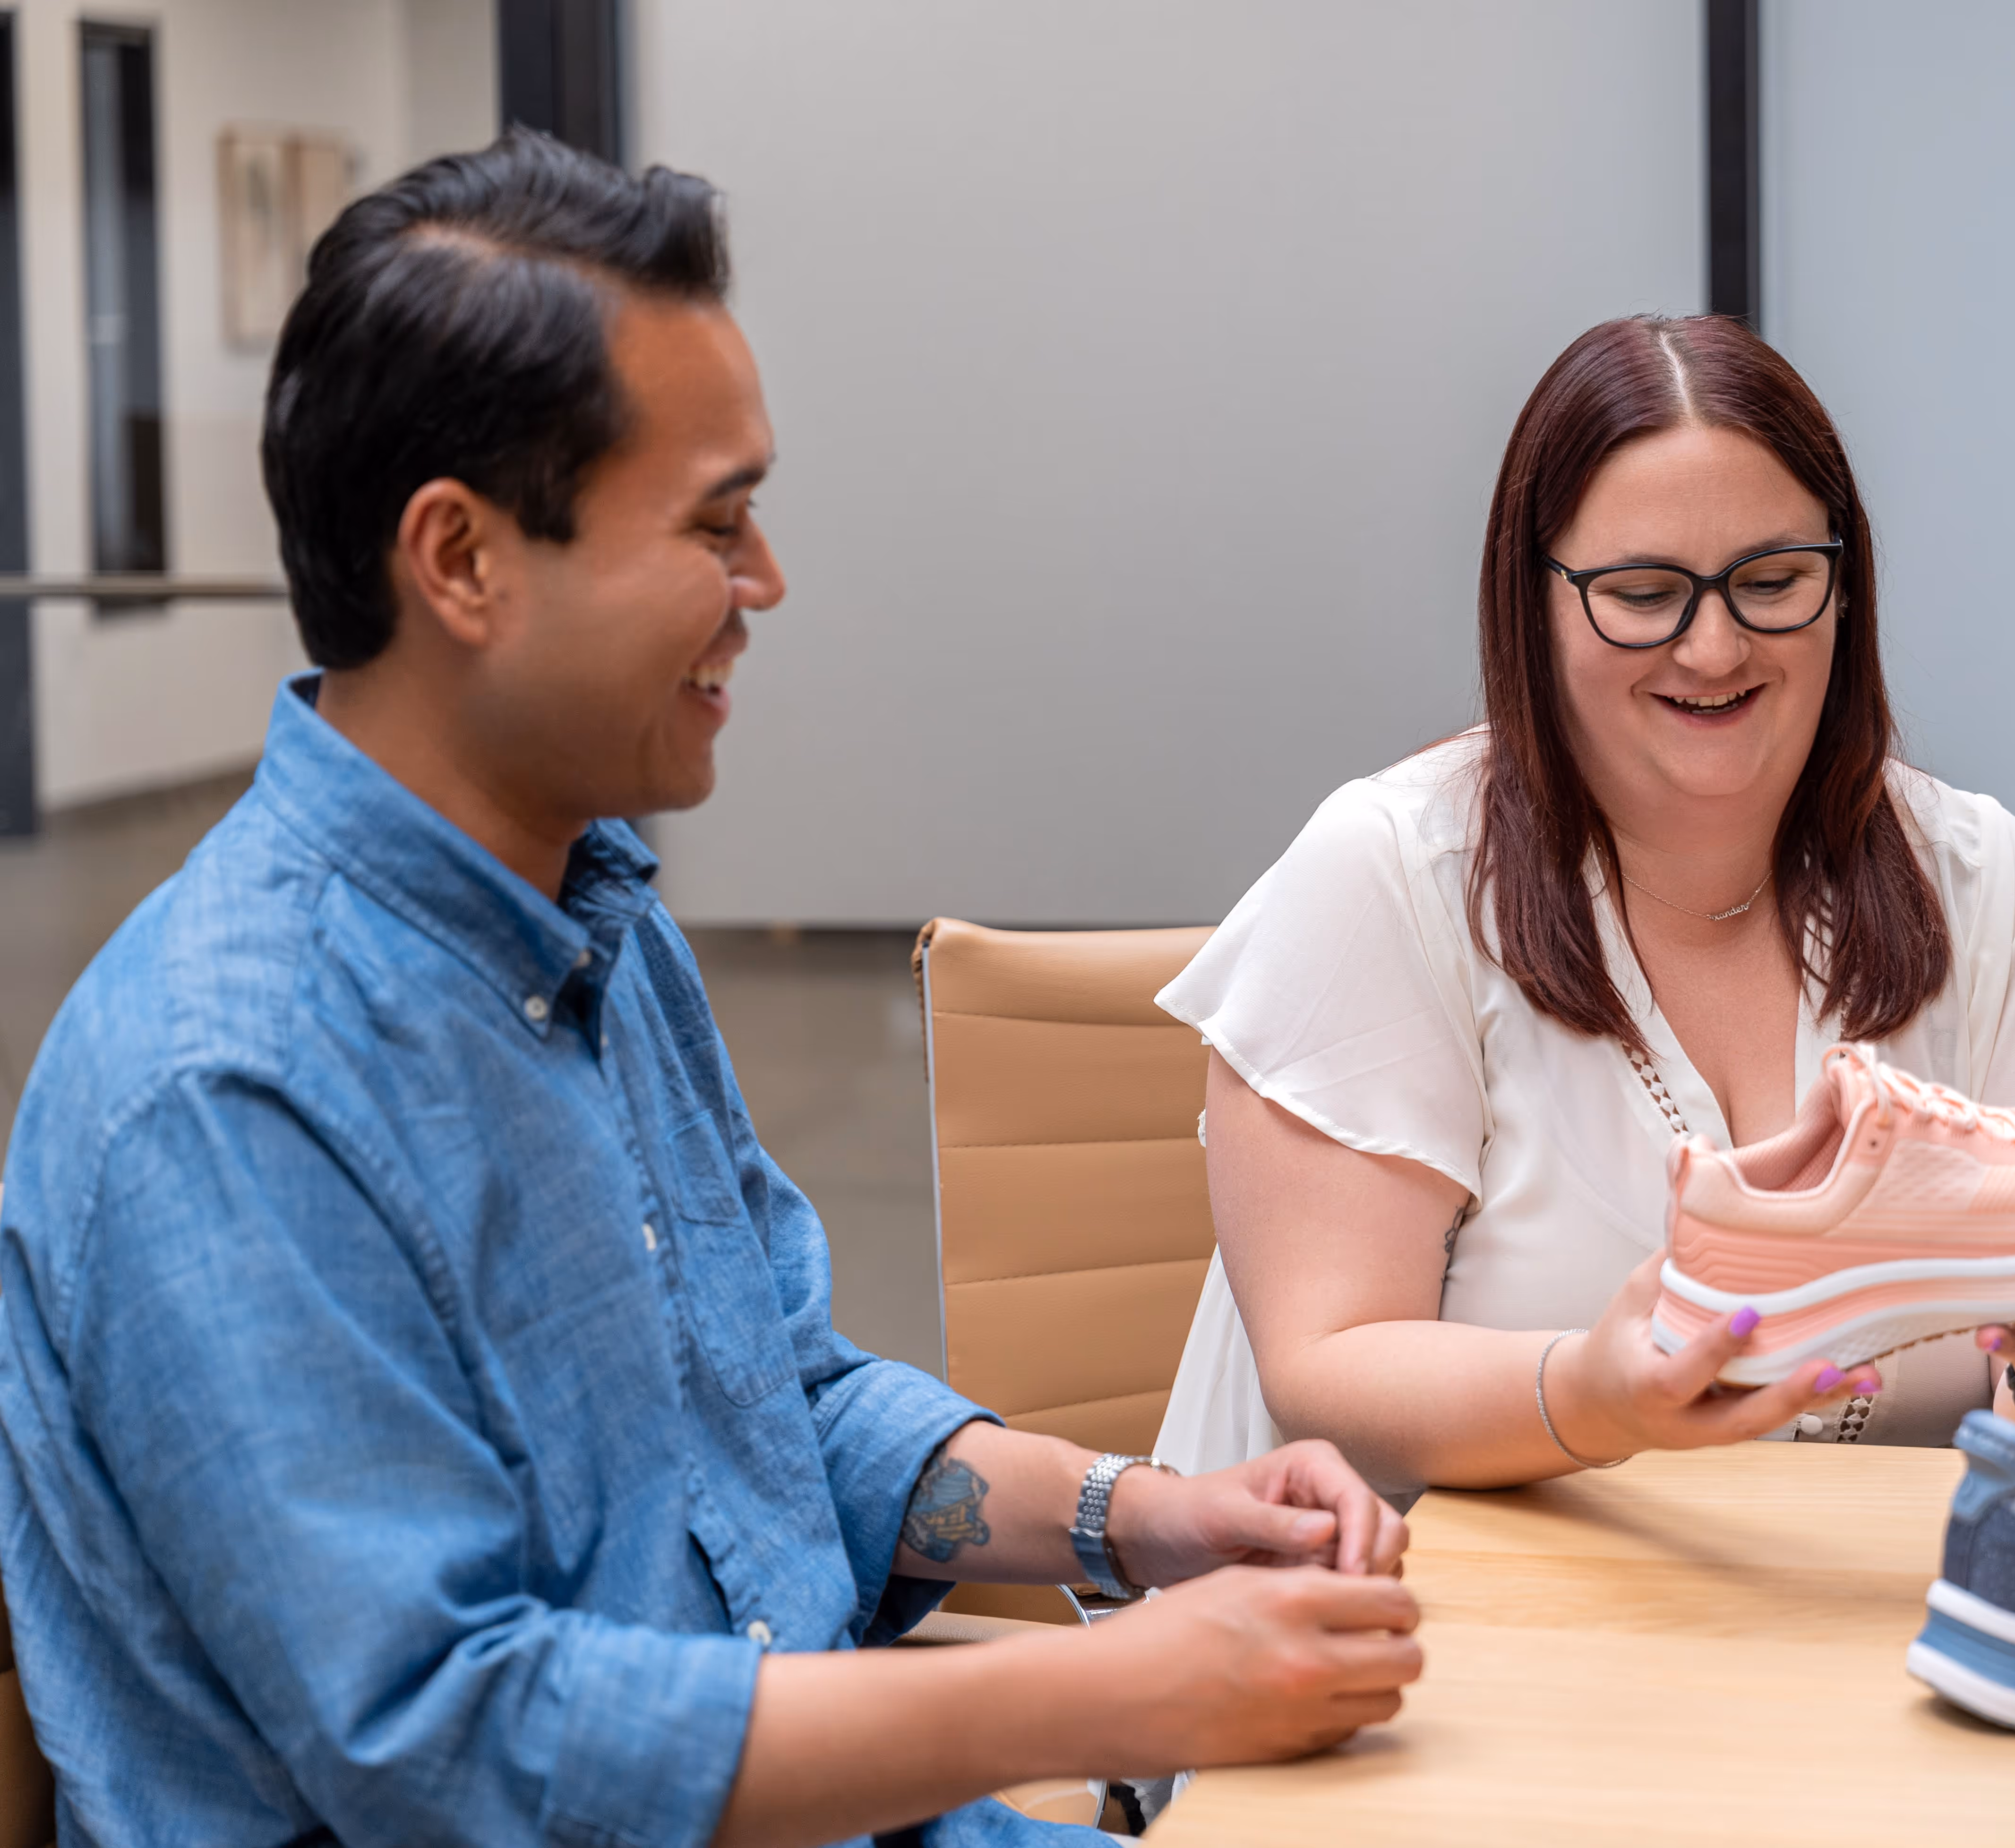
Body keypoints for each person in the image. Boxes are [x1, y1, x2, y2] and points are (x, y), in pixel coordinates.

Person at [0, 132, 1419, 1848]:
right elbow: (449, 1744)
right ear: (459, 562)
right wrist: (1099, 1692)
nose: (767, 587)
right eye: (717, 524)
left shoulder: (584, 916)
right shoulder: (227, 1089)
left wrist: (1148, 1520)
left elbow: (776, 1409)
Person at [1158, 315, 2015, 1493]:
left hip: (1831, 1636)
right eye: (1643, 593)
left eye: (1772, 582)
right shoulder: (1387, 875)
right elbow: (1328, 1367)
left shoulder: (1985, 880)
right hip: (1400, 1627)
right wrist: (1594, 1394)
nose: (1714, 647)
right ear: (1537, 601)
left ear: (1843, 588)